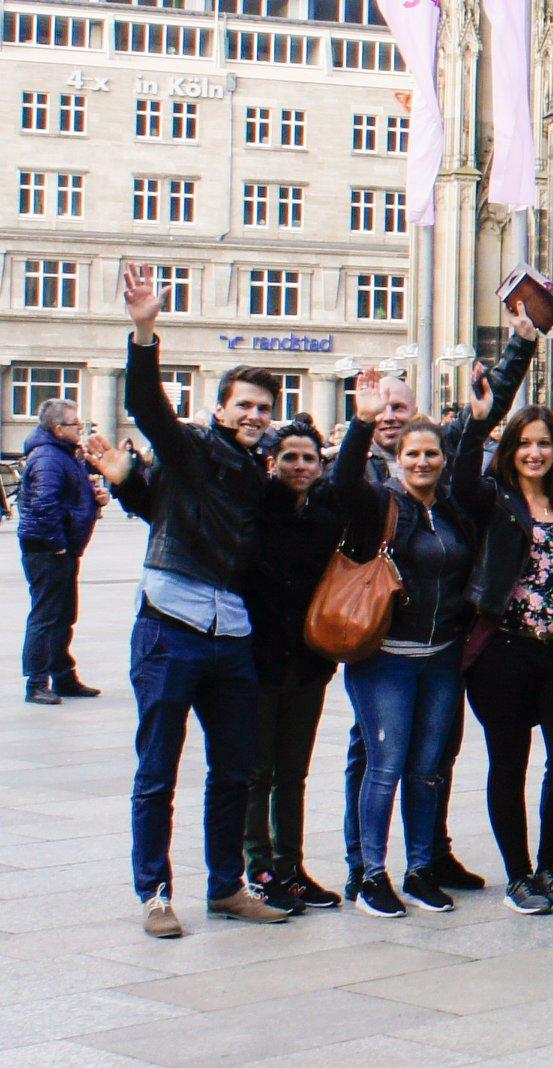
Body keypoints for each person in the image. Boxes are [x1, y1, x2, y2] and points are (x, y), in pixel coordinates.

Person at [117, 263, 290, 936]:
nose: (253, 416)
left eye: (262, 409)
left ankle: (227, 886)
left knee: (235, 771)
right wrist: (144, 328)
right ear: (221, 409)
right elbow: (147, 406)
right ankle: (155, 894)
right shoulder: (189, 450)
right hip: (171, 623)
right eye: (243, 405)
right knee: (159, 768)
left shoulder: (259, 474)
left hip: (231, 634)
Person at [333, 371, 475, 918]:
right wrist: (361, 423)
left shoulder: (450, 507)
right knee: (385, 765)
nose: (422, 463)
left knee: (428, 767)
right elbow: (343, 484)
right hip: (386, 658)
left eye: (431, 454)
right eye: (413, 454)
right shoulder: (379, 504)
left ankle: (419, 869)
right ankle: (371, 873)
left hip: (440, 658)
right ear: (398, 459)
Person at [455, 392, 553, 915]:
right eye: (525, 444)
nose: (535, 453)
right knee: (509, 763)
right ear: (510, 449)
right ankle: (519, 875)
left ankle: (551, 863)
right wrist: (477, 424)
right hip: (505, 651)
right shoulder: (493, 498)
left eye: (543, 444)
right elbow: (460, 479)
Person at [241, 423, 345, 912]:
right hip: (257, 661)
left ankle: (291, 867)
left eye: (309, 458)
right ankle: (259, 869)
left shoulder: (326, 520)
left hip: (308, 663)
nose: (299, 466)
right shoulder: (257, 510)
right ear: (271, 463)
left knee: (293, 773)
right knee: (257, 771)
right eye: (289, 458)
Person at [17, 397, 104, 704]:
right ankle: (37, 683)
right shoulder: (49, 458)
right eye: (74, 424)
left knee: (63, 614)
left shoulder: (65, 454)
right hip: (47, 549)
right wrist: (56, 545)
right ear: (57, 429)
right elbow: (44, 505)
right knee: (46, 615)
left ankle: (64, 677)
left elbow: (69, 498)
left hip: (62, 546)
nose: (80, 428)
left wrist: (96, 500)